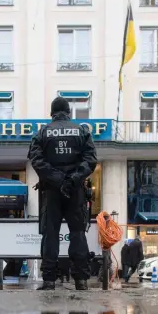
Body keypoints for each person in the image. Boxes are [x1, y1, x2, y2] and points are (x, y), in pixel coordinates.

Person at [28, 96, 98, 291]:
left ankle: (49, 279)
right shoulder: (82, 131)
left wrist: (57, 179)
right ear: (68, 112)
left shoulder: (42, 133)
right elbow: (90, 160)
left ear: (52, 113)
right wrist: (72, 179)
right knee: (77, 233)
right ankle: (81, 280)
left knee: (51, 234)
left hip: (51, 190)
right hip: (75, 191)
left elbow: (36, 159)